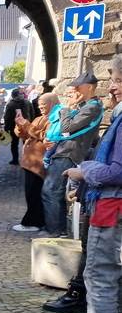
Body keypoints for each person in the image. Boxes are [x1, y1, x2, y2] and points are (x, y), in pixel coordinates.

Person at [61, 55, 122, 313]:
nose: (112, 87)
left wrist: (84, 171)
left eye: (116, 80)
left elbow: (117, 171)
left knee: (101, 273)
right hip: (108, 201)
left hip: (112, 205)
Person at [40, 72, 103, 236]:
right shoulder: (87, 106)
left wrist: (67, 107)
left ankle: (55, 232)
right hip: (67, 151)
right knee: (55, 192)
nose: (74, 90)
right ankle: (58, 230)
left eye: (78, 87)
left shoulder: (92, 107)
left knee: (50, 191)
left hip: (68, 153)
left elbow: (66, 128)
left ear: (89, 88)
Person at [13, 92, 58, 232]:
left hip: (38, 163)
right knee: (30, 193)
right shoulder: (39, 118)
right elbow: (25, 134)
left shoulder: (54, 120)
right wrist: (20, 125)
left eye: (44, 104)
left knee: (34, 193)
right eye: (39, 105)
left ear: (52, 104)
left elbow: (47, 137)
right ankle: (34, 220)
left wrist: (26, 125)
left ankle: (33, 222)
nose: (40, 108)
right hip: (30, 162)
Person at [3, 88, 33, 165]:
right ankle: (21, 159)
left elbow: (7, 117)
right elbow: (7, 117)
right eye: (21, 94)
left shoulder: (25, 103)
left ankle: (19, 159)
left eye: (22, 94)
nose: (22, 95)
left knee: (22, 144)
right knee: (20, 143)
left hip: (23, 126)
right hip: (18, 126)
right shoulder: (25, 102)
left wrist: (6, 128)